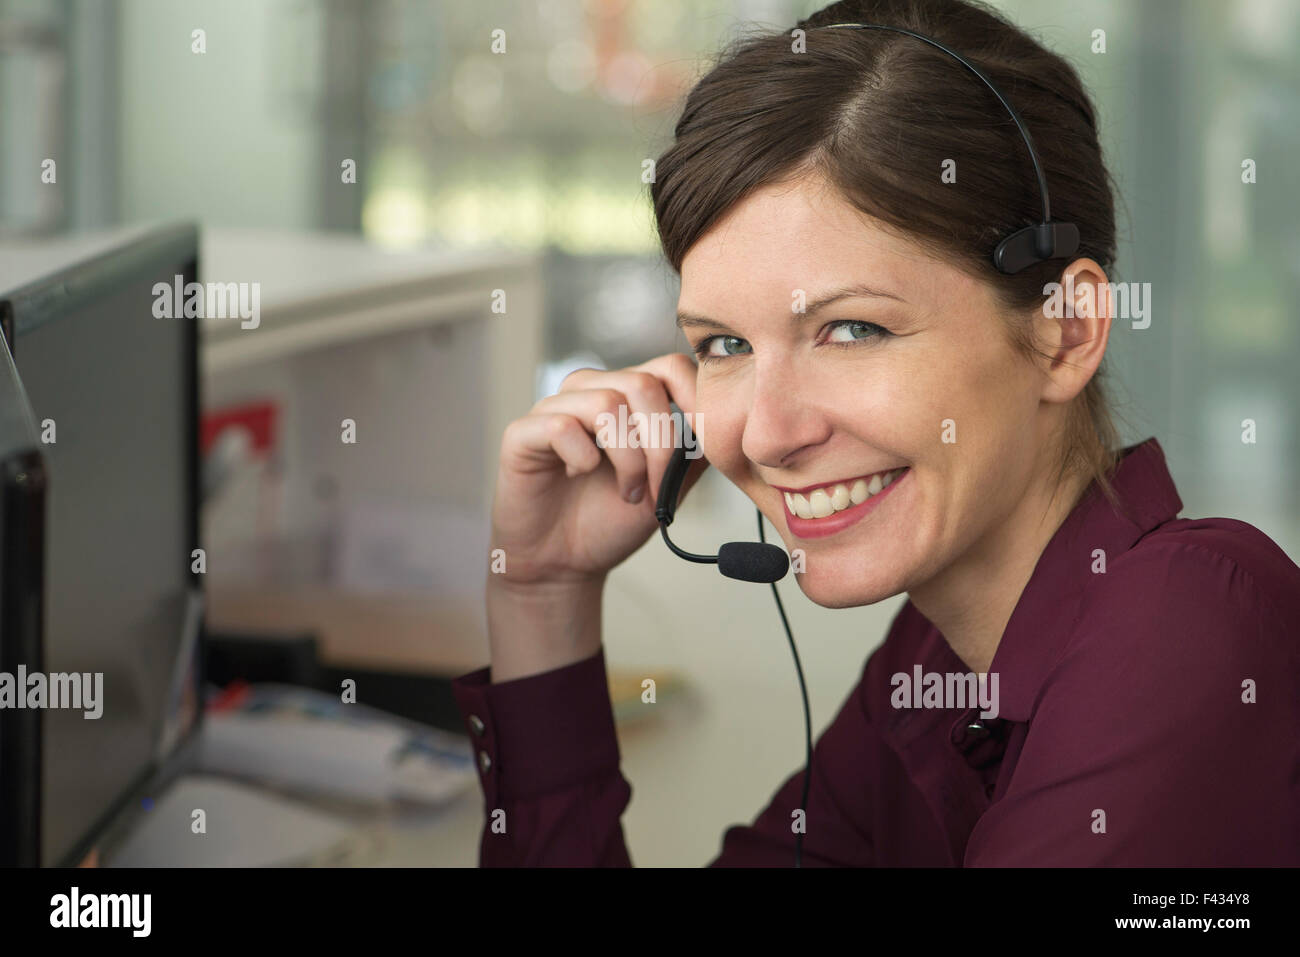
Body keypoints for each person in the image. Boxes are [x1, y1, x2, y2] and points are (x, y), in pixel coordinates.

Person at [450, 0, 1300, 865]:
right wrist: (541, 595)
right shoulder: (932, 662)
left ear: (1066, 330)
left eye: (853, 330)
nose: (770, 433)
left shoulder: (1187, 628)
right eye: (725, 345)